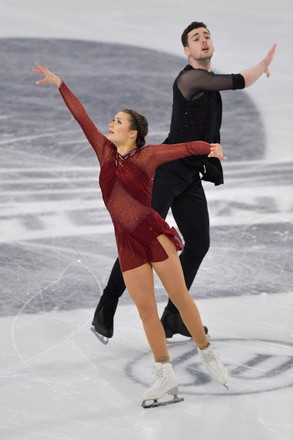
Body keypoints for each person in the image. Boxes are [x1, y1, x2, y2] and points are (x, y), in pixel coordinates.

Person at [33, 62, 227, 407]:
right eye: (113, 120)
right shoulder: (105, 153)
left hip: (155, 238)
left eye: (119, 121)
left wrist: (210, 148)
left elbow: (181, 149)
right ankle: (164, 376)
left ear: (133, 132)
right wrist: (60, 84)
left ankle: (209, 355)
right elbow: (82, 118)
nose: (111, 124)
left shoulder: (147, 156)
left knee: (181, 299)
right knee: (146, 311)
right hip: (127, 246)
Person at [92, 21, 276, 342]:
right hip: (166, 171)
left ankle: (174, 317)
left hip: (189, 173)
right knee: (138, 241)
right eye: (196, 38)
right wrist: (261, 66)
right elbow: (238, 81)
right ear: (187, 50)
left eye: (207, 36)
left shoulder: (206, 81)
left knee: (199, 243)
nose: (203, 40)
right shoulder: (190, 79)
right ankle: (105, 307)